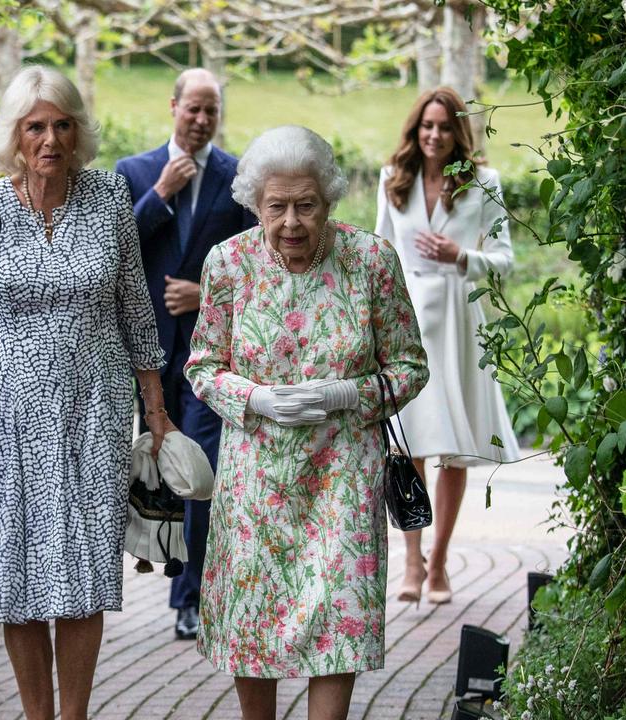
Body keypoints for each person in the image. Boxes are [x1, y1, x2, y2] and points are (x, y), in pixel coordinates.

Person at [0, 66, 174, 720]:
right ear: (15, 134)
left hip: (93, 412)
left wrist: (156, 409)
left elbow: (133, 302)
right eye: (36, 126)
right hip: (4, 416)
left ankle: (75, 717)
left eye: (62, 124)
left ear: (78, 131)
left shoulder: (110, 196)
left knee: (83, 571)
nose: (50, 139)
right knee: (20, 570)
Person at [186, 125, 428, 718]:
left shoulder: (371, 261)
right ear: (255, 204)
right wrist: (257, 399)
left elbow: (410, 367)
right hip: (256, 486)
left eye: (306, 205)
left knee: (337, 623)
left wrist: (351, 393)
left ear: (329, 199)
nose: (291, 222)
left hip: (342, 479)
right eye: (277, 207)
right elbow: (203, 366)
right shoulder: (229, 264)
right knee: (254, 623)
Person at [114, 67, 256, 641]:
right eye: (192, 109)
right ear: (173, 106)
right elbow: (117, 249)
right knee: (154, 473)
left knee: (199, 473)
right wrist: (162, 194)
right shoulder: (135, 173)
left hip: (209, 355)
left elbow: (255, 261)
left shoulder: (238, 175)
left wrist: (206, 292)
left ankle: (188, 597)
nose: (200, 120)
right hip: (144, 355)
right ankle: (152, 578)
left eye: (211, 112)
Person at [375, 87, 522, 606]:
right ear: (416, 130)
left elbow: (505, 259)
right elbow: (380, 252)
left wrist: (461, 255)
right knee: (407, 446)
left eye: (442, 127)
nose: (433, 135)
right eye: (426, 126)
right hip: (408, 321)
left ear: (458, 132)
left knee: (453, 450)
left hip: (460, 323)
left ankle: (439, 563)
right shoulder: (394, 181)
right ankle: (410, 563)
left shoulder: (485, 183)